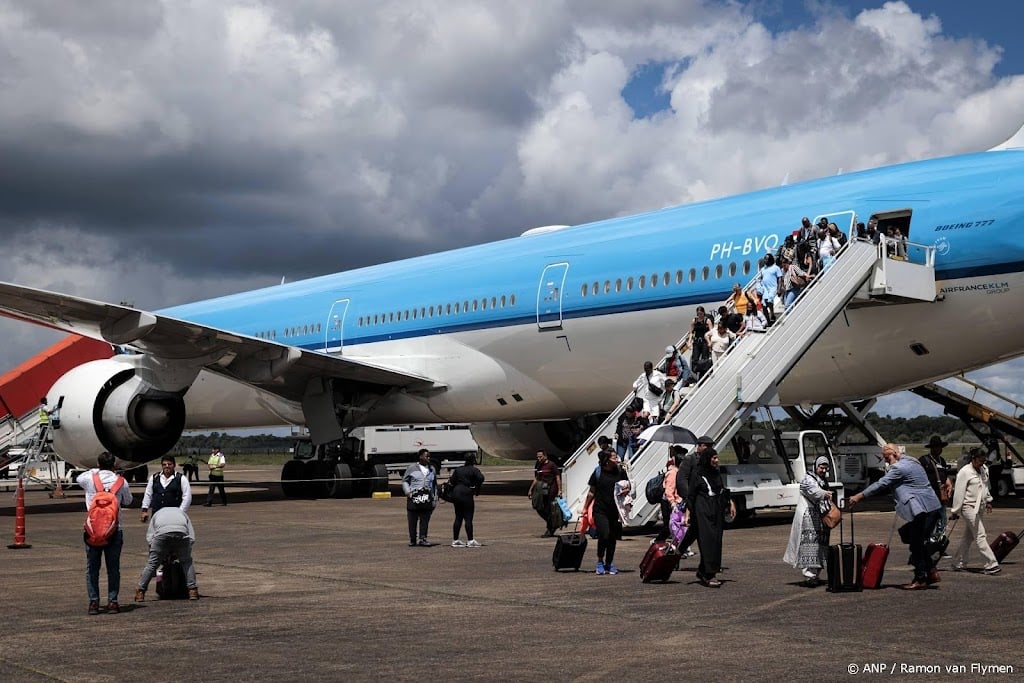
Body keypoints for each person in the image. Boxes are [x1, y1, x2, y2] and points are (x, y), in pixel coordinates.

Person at [847, 443, 943, 590]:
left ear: (895, 454)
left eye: (886, 458)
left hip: (922, 509)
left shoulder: (898, 468)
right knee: (914, 539)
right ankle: (930, 572)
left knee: (915, 543)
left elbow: (881, 484)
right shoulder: (913, 460)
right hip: (931, 507)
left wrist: (859, 496)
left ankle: (921, 577)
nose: (885, 461)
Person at [78, 451, 133, 615]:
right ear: (114, 465)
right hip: (114, 530)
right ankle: (113, 602)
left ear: (98, 464)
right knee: (113, 568)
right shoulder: (121, 482)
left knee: (92, 568)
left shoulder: (89, 478)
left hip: (92, 530)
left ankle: (94, 602)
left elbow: (78, 479)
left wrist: (94, 471)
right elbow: (128, 501)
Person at [684, 447, 735, 587]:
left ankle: (703, 570)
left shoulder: (716, 473)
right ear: (707, 459)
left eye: (717, 458)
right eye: (714, 458)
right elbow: (692, 495)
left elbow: (721, 489)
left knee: (716, 541)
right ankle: (709, 574)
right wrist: (688, 513)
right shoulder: (697, 473)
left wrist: (730, 503)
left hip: (716, 510)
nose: (716, 461)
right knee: (707, 542)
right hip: (703, 511)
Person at [783, 455, 834, 587]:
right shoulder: (808, 479)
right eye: (821, 467)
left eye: (825, 468)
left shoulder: (822, 480)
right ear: (816, 466)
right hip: (808, 517)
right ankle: (809, 576)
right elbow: (814, 491)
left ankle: (815, 574)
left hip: (819, 516)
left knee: (820, 545)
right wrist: (824, 493)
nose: (823, 470)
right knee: (809, 545)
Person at [949, 447, 1000, 574]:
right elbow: (959, 493)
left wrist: (988, 500)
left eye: (984, 461)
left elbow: (985, 486)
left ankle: (958, 562)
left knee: (968, 536)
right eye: (980, 461)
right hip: (968, 507)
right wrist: (955, 511)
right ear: (973, 459)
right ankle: (991, 563)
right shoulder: (964, 472)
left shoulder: (984, 469)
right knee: (980, 534)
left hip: (980, 507)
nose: (982, 464)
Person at [134, 506, 200, 601]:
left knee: (152, 564)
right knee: (186, 562)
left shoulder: (157, 514)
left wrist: (157, 553)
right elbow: (191, 537)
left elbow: (150, 537)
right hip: (181, 532)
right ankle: (192, 590)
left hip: (162, 534)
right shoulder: (182, 513)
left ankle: (141, 591)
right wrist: (180, 552)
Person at [583, 450, 627, 575]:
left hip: (615, 510)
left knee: (613, 537)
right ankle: (600, 561)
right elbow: (592, 491)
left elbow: (628, 485)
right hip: (600, 510)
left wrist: (626, 490)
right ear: (607, 460)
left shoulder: (620, 471)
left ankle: (609, 563)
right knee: (604, 534)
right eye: (614, 457)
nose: (617, 458)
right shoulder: (598, 472)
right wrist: (585, 508)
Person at [674, 435, 714, 558]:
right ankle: (680, 552)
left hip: (707, 501)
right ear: (700, 446)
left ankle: (680, 551)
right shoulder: (690, 459)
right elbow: (682, 480)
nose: (710, 449)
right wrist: (689, 498)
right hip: (694, 501)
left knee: (697, 531)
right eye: (707, 446)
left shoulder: (710, 460)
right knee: (698, 531)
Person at [140, 455, 192, 522]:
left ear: (174, 465)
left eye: (169, 464)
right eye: (164, 464)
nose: (167, 466)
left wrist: (180, 512)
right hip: (156, 516)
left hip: (174, 517)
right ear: (162, 465)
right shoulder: (154, 478)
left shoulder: (181, 479)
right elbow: (148, 494)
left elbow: (187, 498)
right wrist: (144, 510)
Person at [403, 448, 437, 546]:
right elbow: (405, 481)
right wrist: (407, 492)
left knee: (425, 519)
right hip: (414, 498)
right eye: (427, 456)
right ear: (421, 457)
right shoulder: (412, 468)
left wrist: (434, 498)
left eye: (429, 456)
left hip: (426, 498)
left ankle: (423, 538)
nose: (429, 458)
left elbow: (434, 485)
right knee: (412, 520)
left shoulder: (432, 469)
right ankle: (412, 539)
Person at [449, 454, 485, 547]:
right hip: (466, 492)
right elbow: (481, 478)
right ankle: (470, 540)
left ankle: (455, 540)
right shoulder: (474, 470)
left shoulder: (458, 469)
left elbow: (452, 481)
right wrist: (476, 487)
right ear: (473, 460)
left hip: (456, 492)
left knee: (458, 517)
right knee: (468, 518)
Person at [919, 435, 951, 538]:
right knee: (930, 522)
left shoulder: (942, 460)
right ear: (931, 448)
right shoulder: (924, 460)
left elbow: (945, 476)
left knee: (942, 521)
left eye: (940, 447)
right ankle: (928, 542)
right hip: (929, 497)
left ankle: (939, 543)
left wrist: (949, 484)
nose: (938, 449)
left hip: (941, 497)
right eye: (936, 447)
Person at [528, 450, 562, 537]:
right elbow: (536, 478)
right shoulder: (539, 466)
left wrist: (559, 490)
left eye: (540, 457)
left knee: (547, 508)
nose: (539, 459)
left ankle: (550, 528)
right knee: (538, 507)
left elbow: (558, 477)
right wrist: (530, 489)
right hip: (541, 490)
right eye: (538, 457)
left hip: (551, 491)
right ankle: (551, 523)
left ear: (545, 456)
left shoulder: (551, 465)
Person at [654, 447, 684, 543]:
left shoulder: (680, 472)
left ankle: (680, 545)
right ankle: (658, 541)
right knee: (669, 526)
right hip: (669, 502)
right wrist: (672, 503)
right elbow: (668, 491)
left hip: (676, 501)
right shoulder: (672, 473)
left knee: (677, 525)